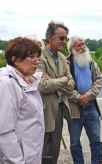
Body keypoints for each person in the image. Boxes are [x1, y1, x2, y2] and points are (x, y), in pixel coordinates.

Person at [0, 37, 44, 164]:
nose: (36, 61)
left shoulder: (27, 80)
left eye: (37, 56)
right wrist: (17, 161)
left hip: (30, 155)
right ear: (15, 59)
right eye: (31, 57)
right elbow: (4, 132)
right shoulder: (7, 84)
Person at [38, 22, 74, 164]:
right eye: (61, 38)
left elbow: (71, 85)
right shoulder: (39, 57)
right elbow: (42, 85)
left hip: (59, 110)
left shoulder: (62, 58)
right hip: (44, 111)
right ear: (50, 38)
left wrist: (56, 81)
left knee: (54, 150)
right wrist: (64, 80)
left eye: (66, 38)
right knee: (42, 150)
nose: (64, 41)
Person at [67, 36, 102, 164]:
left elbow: (99, 80)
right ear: (72, 48)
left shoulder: (91, 61)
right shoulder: (66, 64)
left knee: (96, 140)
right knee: (75, 143)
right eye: (78, 45)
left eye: (83, 44)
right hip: (74, 109)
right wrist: (78, 98)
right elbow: (65, 86)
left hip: (91, 106)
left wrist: (88, 96)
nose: (82, 47)